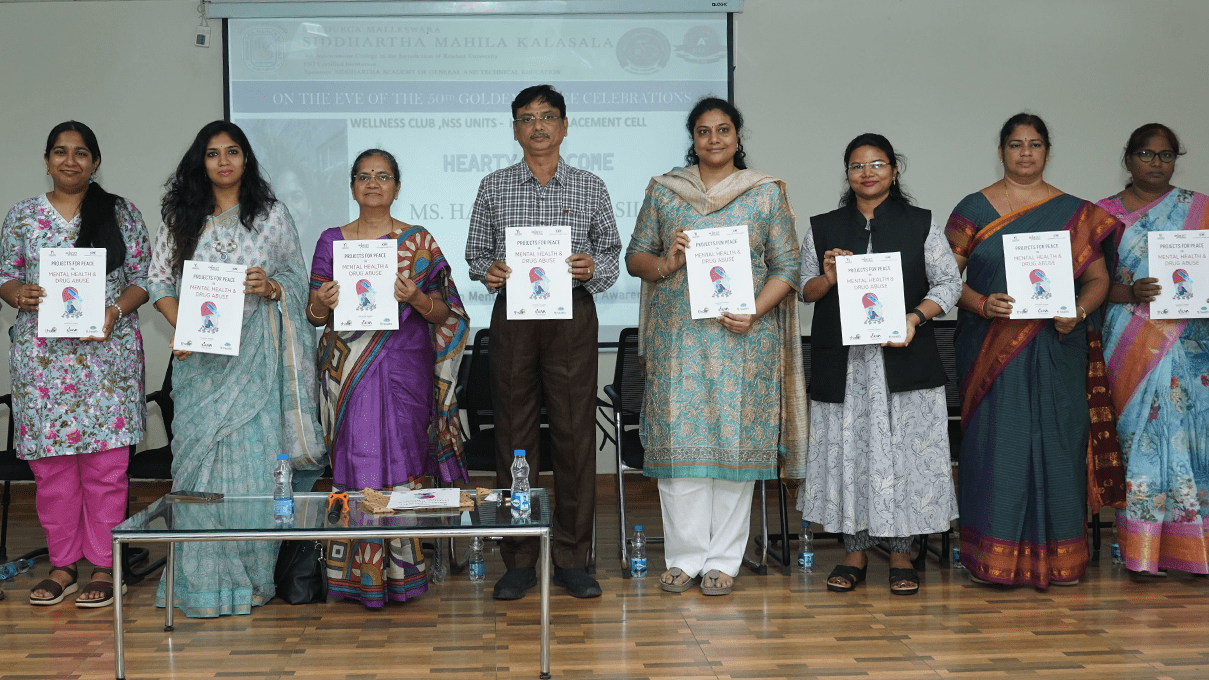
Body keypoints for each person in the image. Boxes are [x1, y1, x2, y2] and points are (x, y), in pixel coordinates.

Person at [625, 98, 807, 596]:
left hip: (743, 341)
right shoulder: (665, 192)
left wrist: (755, 311)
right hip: (678, 341)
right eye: (703, 132)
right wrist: (667, 260)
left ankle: (724, 560)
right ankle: (684, 558)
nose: (714, 140)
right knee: (681, 451)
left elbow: (787, 268)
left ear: (737, 135)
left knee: (735, 450)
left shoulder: (766, 193)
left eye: (723, 130)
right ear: (693, 138)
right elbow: (634, 257)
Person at [148, 120, 325, 617]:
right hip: (202, 363)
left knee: (252, 474)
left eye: (233, 152)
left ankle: (249, 580)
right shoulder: (181, 216)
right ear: (199, 162)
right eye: (212, 153)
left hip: (258, 360)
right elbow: (158, 277)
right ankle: (200, 584)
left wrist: (271, 287)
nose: (223, 161)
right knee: (196, 471)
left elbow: (297, 276)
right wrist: (181, 325)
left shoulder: (270, 215)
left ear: (247, 159)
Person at [946, 113, 1115, 588]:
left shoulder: (1075, 212)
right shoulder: (974, 209)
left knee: (1058, 445)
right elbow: (943, 280)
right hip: (990, 352)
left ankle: (1060, 560)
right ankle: (991, 560)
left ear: (1047, 151)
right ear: (1000, 151)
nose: (1026, 153)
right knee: (998, 447)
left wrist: (1077, 311)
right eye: (1016, 144)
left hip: (1055, 347)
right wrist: (981, 302)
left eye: (1035, 144)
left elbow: (1099, 279)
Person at [465, 84, 621, 600]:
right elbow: (475, 254)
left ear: (565, 125)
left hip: (572, 315)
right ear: (514, 129)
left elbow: (612, 252)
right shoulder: (494, 186)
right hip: (514, 315)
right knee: (515, 435)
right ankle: (519, 557)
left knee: (576, 435)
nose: (538, 126)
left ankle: (573, 557)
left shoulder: (590, 186)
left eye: (547, 116)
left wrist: (592, 267)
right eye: (527, 118)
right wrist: (489, 270)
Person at [799, 133, 961, 595]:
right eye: (856, 166)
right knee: (849, 457)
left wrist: (914, 318)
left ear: (894, 169)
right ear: (847, 174)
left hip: (905, 358)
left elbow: (948, 285)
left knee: (903, 461)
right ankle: (853, 551)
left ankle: (902, 553)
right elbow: (805, 292)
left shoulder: (921, 224)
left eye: (877, 164)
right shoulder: (823, 226)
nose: (867, 173)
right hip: (846, 366)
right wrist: (827, 277)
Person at [308, 148, 470, 606]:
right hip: (349, 375)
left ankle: (403, 573)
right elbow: (314, 314)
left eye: (383, 176)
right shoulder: (331, 241)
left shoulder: (418, 243)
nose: (373, 183)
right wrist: (325, 299)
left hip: (405, 369)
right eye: (363, 176)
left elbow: (449, 314)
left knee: (401, 459)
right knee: (357, 462)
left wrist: (417, 298)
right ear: (353, 185)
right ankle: (358, 578)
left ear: (397, 186)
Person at [0, 121, 149, 608]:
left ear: (96, 161)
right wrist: (15, 293)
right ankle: (63, 564)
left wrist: (115, 311)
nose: (70, 161)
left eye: (81, 153)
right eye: (60, 152)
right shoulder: (22, 216)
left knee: (107, 470)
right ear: (46, 159)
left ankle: (106, 567)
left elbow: (143, 279)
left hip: (107, 358)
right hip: (43, 364)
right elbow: (6, 276)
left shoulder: (121, 212)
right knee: (52, 472)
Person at [1097, 124, 1209, 576]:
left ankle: (1193, 549)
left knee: (1195, 441)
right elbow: (1090, 285)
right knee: (1141, 443)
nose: (1156, 163)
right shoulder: (1102, 215)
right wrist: (1130, 292)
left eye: (1165, 155)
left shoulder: (1199, 210)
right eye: (1146, 154)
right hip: (1130, 339)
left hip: (1192, 341)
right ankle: (1141, 552)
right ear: (1128, 158)